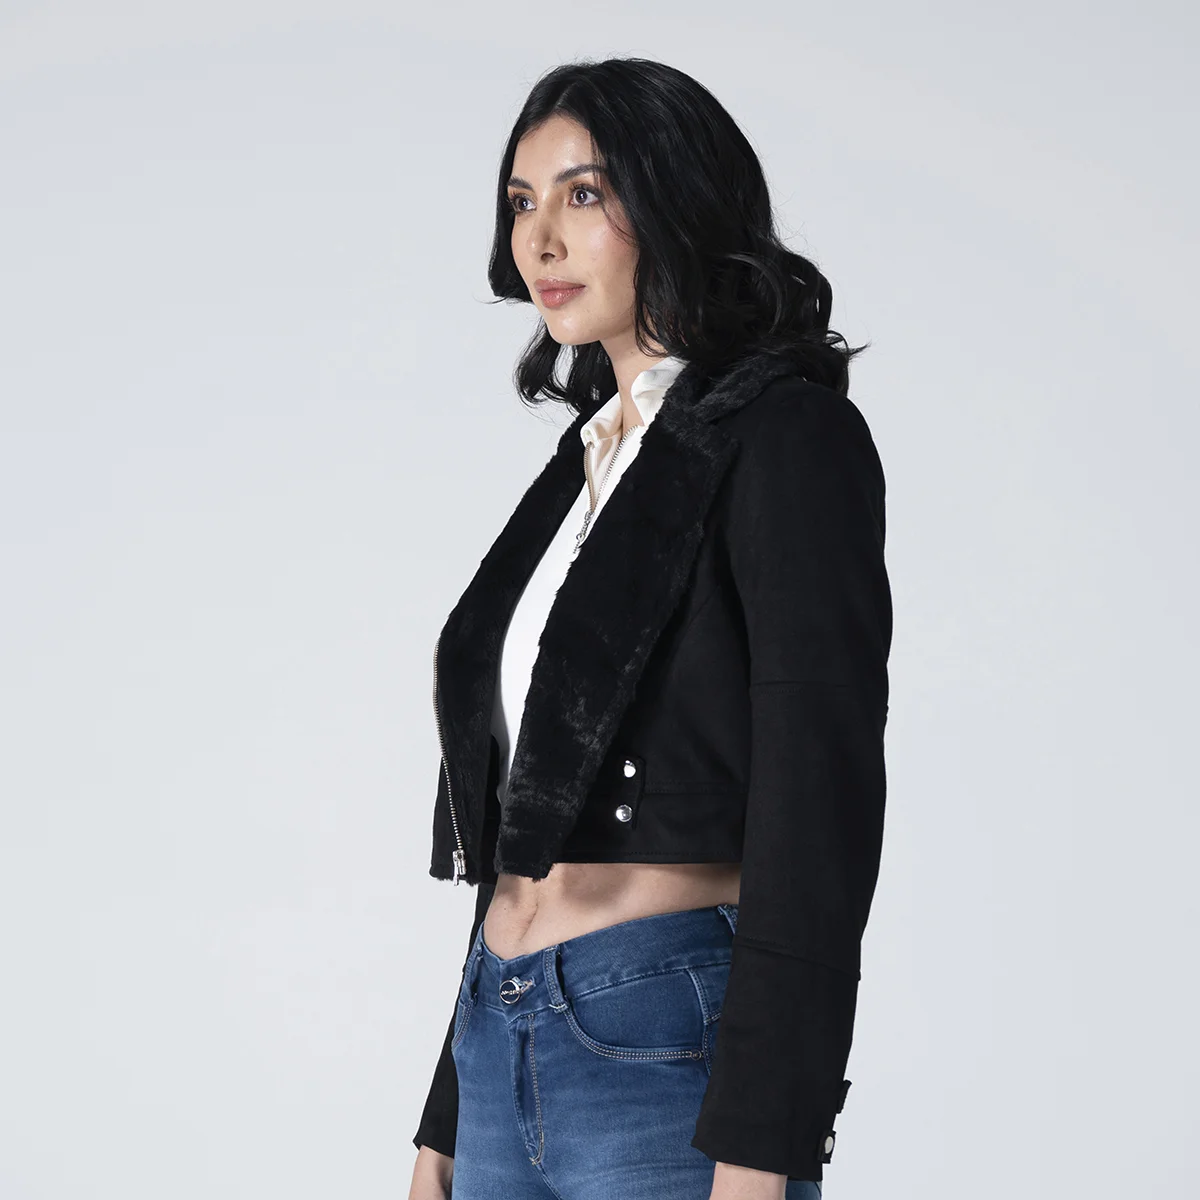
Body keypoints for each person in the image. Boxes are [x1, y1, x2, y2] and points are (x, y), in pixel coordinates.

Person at [408, 56, 891, 1200]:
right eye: (521, 202)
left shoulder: (786, 438)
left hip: (659, 1042)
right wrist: (442, 1126)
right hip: (496, 1034)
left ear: (678, 198)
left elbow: (820, 809)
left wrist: (766, 1142)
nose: (540, 239)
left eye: (584, 193)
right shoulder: (579, 469)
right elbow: (524, 818)